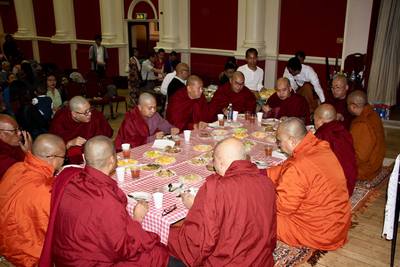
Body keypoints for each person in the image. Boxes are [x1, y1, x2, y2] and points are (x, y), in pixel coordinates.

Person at [40, 136, 169, 266]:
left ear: (85, 158)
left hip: (63, 254)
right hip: (87, 262)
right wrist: (137, 220)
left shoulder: (68, 177)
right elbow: (124, 248)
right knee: (157, 253)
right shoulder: (106, 200)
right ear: (113, 160)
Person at [168, 138, 276, 266]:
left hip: (228, 262)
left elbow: (198, 243)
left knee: (164, 238)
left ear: (220, 163)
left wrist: (167, 235)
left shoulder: (215, 188)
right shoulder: (267, 183)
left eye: (213, 161)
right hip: (261, 260)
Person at [267, 117, 351, 250]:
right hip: (338, 225)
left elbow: (282, 208)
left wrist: (261, 195)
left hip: (320, 233)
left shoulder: (298, 166)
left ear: (292, 140)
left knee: (259, 214)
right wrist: (262, 174)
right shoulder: (319, 147)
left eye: (279, 141)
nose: (278, 145)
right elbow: (285, 168)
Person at [0, 134, 65, 266]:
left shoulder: (15, 167)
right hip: (27, 253)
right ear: (52, 157)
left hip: (4, 240)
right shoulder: (46, 189)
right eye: (64, 157)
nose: (64, 161)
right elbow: (53, 229)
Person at [49, 96, 113, 164]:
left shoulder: (96, 115)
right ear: (74, 114)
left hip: (94, 152)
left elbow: (107, 133)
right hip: (70, 157)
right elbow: (53, 148)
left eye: (90, 109)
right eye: (86, 112)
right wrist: (69, 143)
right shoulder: (60, 119)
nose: (90, 114)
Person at [314, 104, 357, 196]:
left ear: (320, 120)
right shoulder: (344, 130)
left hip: (334, 191)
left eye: (314, 120)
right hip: (349, 183)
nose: (314, 124)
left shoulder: (322, 135)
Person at [115, 93, 179, 150]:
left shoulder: (155, 115)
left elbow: (164, 124)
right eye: (150, 108)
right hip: (128, 150)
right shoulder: (131, 119)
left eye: (155, 107)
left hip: (148, 147)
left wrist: (171, 128)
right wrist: (152, 138)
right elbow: (130, 142)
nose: (153, 110)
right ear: (140, 107)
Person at [347, 90, 385, 180]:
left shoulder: (362, 124)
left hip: (366, 170)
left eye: (347, 105)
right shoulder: (373, 114)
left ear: (353, 107)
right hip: (376, 165)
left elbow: (360, 157)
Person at [0, 114, 32, 178]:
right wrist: (29, 154)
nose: (20, 133)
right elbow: (27, 176)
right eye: (14, 131)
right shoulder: (3, 161)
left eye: (19, 129)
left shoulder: (14, 145)